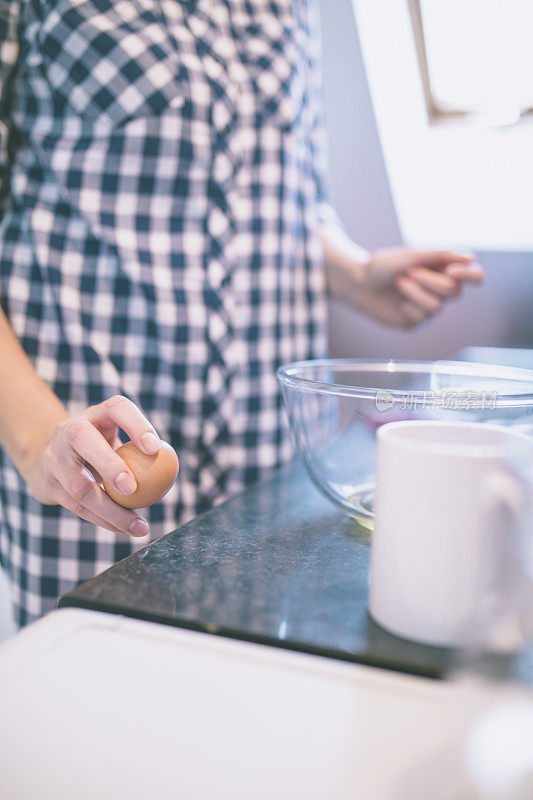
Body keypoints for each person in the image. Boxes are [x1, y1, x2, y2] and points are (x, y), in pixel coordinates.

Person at [0, 0, 483, 625]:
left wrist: (354, 273)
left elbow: (287, 193)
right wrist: (42, 444)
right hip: (88, 469)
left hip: (267, 471)